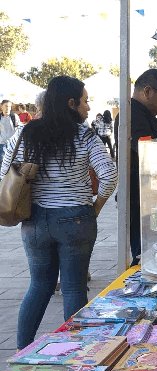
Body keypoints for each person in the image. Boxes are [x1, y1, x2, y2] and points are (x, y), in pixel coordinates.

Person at [0, 76, 118, 349]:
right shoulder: (84, 136)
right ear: (70, 103)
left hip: (35, 221)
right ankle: (75, 354)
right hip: (76, 219)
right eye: (85, 101)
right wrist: (96, 206)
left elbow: (6, 171)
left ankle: (22, 348)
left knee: (39, 285)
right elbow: (109, 175)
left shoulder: (26, 133)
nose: (88, 108)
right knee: (74, 287)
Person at [124, 69, 157, 266]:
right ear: (147, 91)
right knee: (145, 254)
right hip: (140, 197)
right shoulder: (131, 115)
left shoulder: (145, 114)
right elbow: (148, 150)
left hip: (151, 195)